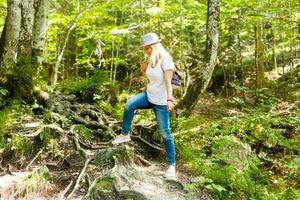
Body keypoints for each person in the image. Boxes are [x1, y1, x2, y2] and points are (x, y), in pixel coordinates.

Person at [112, 33, 176, 180]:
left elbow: (168, 82)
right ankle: (125, 134)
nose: (146, 51)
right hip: (148, 96)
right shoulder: (150, 60)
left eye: (148, 48)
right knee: (129, 105)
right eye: (144, 49)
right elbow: (153, 80)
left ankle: (171, 166)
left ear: (155, 46)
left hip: (160, 102)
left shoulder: (166, 60)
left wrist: (169, 99)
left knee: (165, 133)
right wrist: (144, 70)